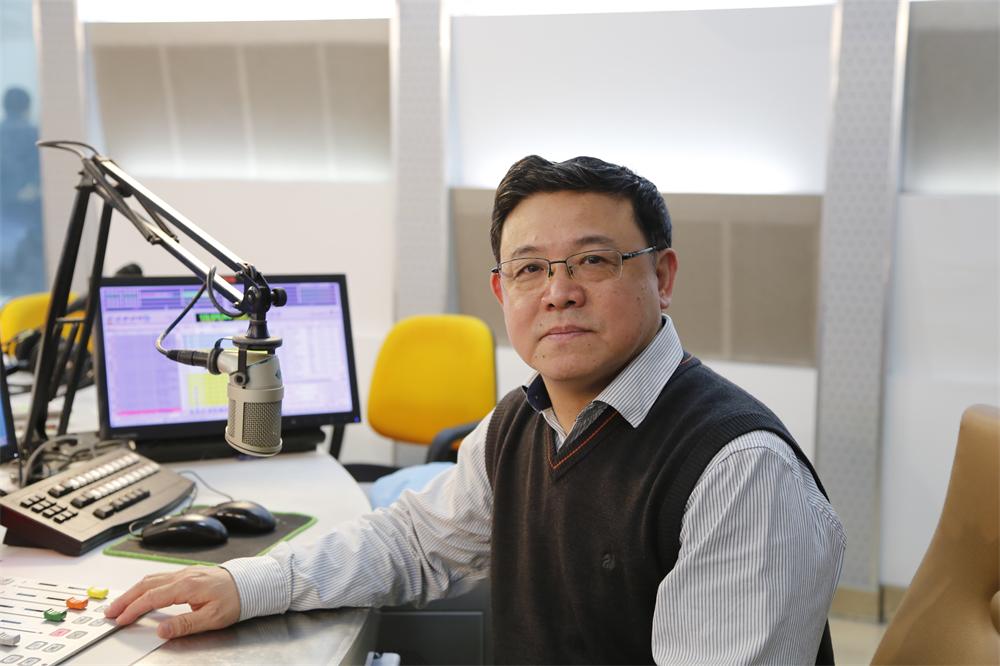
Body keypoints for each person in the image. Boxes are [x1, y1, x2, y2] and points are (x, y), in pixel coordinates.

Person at [107, 155, 846, 663]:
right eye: (529, 269)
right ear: (502, 292)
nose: (559, 292)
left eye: (593, 260)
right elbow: (412, 543)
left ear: (664, 276)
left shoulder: (739, 472)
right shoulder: (521, 423)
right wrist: (246, 583)